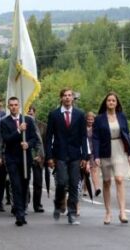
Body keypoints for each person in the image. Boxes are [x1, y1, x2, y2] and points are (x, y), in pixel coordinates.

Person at [46, 87, 88, 225]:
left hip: (75, 154)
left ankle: (72, 213)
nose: (68, 98)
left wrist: (85, 156)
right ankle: (58, 204)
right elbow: (49, 137)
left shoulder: (80, 114)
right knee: (62, 181)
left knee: (74, 184)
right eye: (65, 95)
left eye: (70, 95)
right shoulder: (54, 114)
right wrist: (49, 156)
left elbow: (83, 136)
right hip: (60, 154)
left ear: (73, 98)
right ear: (61, 98)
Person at [93, 91, 130, 225]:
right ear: (106, 102)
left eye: (113, 101)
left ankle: (122, 212)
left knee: (119, 179)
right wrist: (96, 155)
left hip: (120, 149)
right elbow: (95, 138)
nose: (111, 102)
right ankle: (108, 212)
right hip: (105, 150)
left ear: (117, 103)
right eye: (109, 100)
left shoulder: (122, 117)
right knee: (106, 182)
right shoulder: (99, 119)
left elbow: (127, 134)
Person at [0, 97, 38, 226]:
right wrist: (18, 131)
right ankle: (20, 215)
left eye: (16, 105)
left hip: (25, 158)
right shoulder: (4, 122)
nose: (14, 107)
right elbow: (7, 139)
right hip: (12, 158)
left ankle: (21, 207)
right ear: (8, 106)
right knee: (15, 185)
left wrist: (28, 144)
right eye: (11, 105)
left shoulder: (28, 120)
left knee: (24, 185)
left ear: (19, 105)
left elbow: (34, 138)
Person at [27, 105, 46, 213]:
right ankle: (25, 200)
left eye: (31, 112)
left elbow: (44, 142)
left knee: (38, 182)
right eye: (28, 112)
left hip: (38, 157)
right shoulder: (23, 123)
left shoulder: (42, 126)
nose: (30, 114)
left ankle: (37, 204)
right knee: (25, 180)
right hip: (27, 155)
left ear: (35, 113)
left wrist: (42, 155)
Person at [86, 112, 101, 197]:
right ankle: (85, 189)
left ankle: (96, 189)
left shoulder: (96, 129)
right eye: (88, 119)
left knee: (94, 170)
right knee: (86, 172)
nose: (90, 121)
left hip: (93, 152)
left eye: (92, 120)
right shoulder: (82, 128)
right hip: (84, 152)